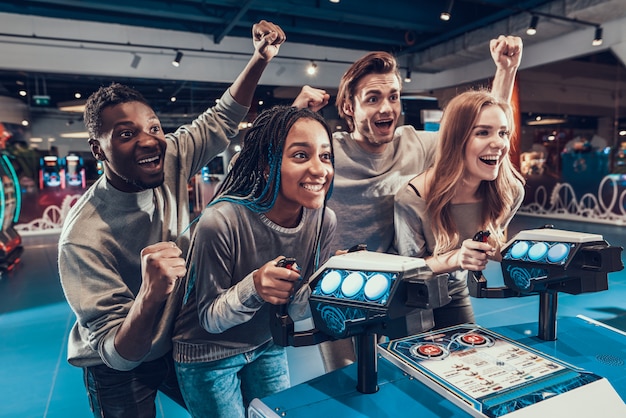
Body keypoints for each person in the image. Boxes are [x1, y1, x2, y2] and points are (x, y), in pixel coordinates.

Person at [57, 20, 286, 418]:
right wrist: (150, 292)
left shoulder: (172, 157)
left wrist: (259, 58)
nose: (148, 140)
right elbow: (118, 353)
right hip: (118, 364)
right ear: (98, 149)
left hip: (178, 337)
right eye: (126, 134)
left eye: (154, 127)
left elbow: (221, 119)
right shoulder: (83, 236)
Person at [293, 35, 523, 371]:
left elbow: (480, 132)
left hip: (404, 283)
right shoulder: (328, 154)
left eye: (393, 97)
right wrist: (293, 119)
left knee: (413, 371)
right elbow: (269, 168)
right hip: (343, 288)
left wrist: (505, 71)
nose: (386, 108)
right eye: (372, 99)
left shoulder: (417, 143)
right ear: (348, 108)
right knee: (348, 378)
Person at [172, 105, 336, 418]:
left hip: (266, 342)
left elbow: (297, 308)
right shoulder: (219, 222)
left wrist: (327, 282)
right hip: (207, 354)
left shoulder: (323, 220)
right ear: (266, 165)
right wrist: (255, 288)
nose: (320, 169)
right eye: (301, 155)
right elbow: (209, 318)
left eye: (325, 156)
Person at [394, 89, 525, 329]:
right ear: (457, 139)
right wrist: (457, 257)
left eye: (503, 132)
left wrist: (512, 252)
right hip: (409, 297)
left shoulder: (511, 191)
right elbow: (410, 270)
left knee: (469, 358)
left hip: (454, 289)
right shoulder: (413, 197)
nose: (498, 143)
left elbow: (496, 238)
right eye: (483, 132)